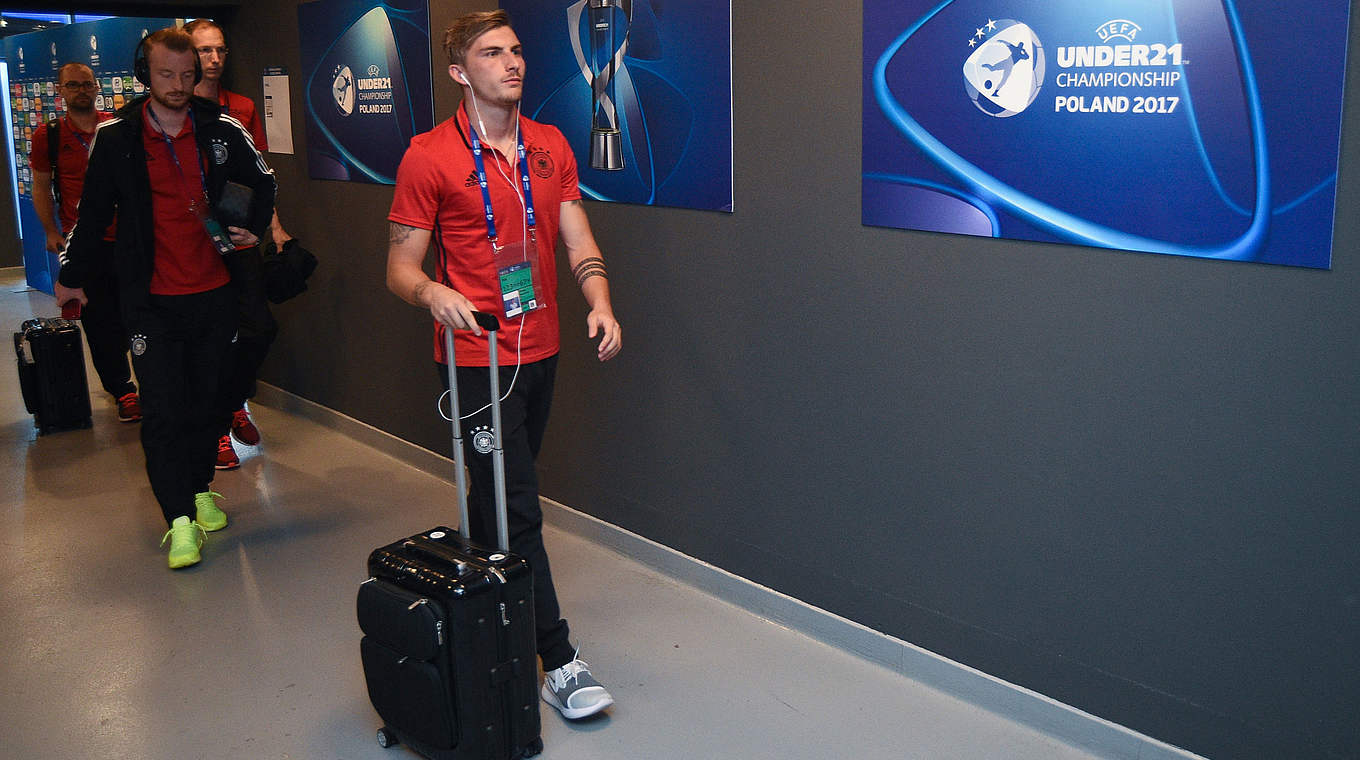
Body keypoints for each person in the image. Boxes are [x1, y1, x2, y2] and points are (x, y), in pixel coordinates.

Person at [386, 10, 622, 721]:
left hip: (541, 350)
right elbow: (399, 266)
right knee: (517, 507)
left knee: (500, 506)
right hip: (475, 359)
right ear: (460, 71)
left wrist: (600, 300)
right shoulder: (428, 156)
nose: (512, 63)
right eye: (492, 53)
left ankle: (488, 620)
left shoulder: (550, 146)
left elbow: (577, 234)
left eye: (516, 51)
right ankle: (559, 658)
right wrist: (433, 292)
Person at [54, 28, 276, 569]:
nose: (178, 86)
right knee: (162, 409)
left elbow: (263, 182)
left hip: (214, 293)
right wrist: (71, 273)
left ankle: (200, 488)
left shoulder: (220, 127)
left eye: (186, 75)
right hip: (149, 300)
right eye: (165, 75)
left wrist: (249, 227)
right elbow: (91, 216)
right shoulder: (116, 138)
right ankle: (178, 518)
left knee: (205, 401)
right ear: (143, 75)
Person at [185, 17, 290, 469]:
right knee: (208, 338)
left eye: (220, 50)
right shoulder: (172, 109)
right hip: (190, 246)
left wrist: (271, 225)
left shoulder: (241, 107)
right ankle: (216, 428)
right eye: (204, 50)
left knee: (258, 328)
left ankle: (232, 404)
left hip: (238, 240)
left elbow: (258, 174)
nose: (213, 59)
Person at [30, 62, 141, 423]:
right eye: (72, 85)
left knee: (133, 313)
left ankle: (141, 376)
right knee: (98, 319)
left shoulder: (117, 127)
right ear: (60, 91)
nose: (81, 90)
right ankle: (122, 389)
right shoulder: (47, 135)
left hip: (128, 239)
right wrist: (50, 231)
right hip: (83, 244)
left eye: (86, 84)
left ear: (96, 88)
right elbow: (42, 186)